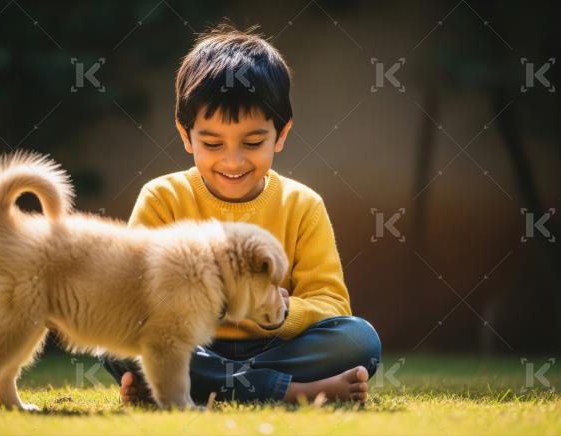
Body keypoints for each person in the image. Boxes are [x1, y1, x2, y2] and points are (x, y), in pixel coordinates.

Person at [99, 23, 380, 405]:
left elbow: (332, 306)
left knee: (358, 341)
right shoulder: (163, 197)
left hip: (275, 347)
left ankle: (184, 387)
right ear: (186, 135)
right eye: (212, 143)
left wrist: (278, 312)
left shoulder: (303, 205)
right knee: (117, 344)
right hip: (190, 342)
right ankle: (285, 392)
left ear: (281, 135)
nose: (232, 161)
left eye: (252, 142)